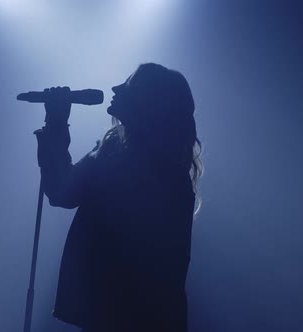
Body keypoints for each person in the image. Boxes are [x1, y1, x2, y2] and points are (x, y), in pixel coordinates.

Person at [34, 63, 202, 332]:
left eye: (128, 84)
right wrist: (55, 123)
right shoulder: (113, 151)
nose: (115, 88)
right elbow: (61, 191)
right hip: (105, 315)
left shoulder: (163, 174)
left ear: (149, 100)